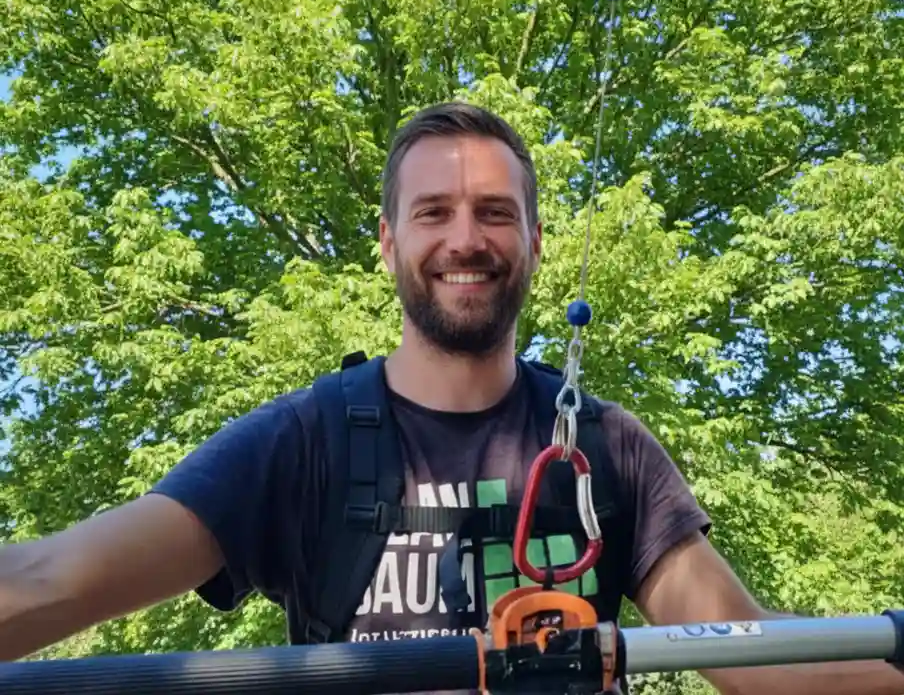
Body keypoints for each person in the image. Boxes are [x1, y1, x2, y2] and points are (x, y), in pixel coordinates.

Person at [0, 102, 901, 695]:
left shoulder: (607, 448)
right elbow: (52, 580)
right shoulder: (301, 443)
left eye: (494, 212)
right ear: (389, 243)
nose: (464, 238)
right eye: (433, 212)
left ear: (537, 241)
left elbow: (764, 662)